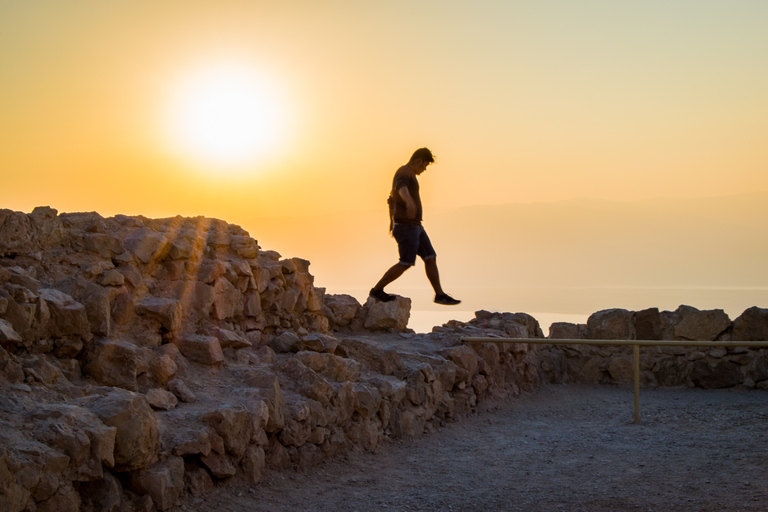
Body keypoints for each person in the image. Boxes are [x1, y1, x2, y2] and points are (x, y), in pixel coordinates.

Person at [369, 147, 461, 305]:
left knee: (430, 257)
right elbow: (400, 188)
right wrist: (409, 201)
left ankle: (439, 295)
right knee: (406, 262)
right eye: (424, 166)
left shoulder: (409, 174)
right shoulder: (404, 172)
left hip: (416, 226)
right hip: (406, 227)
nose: (424, 170)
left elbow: (391, 198)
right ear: (418, 161)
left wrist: (391, 221)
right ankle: (377, 290)